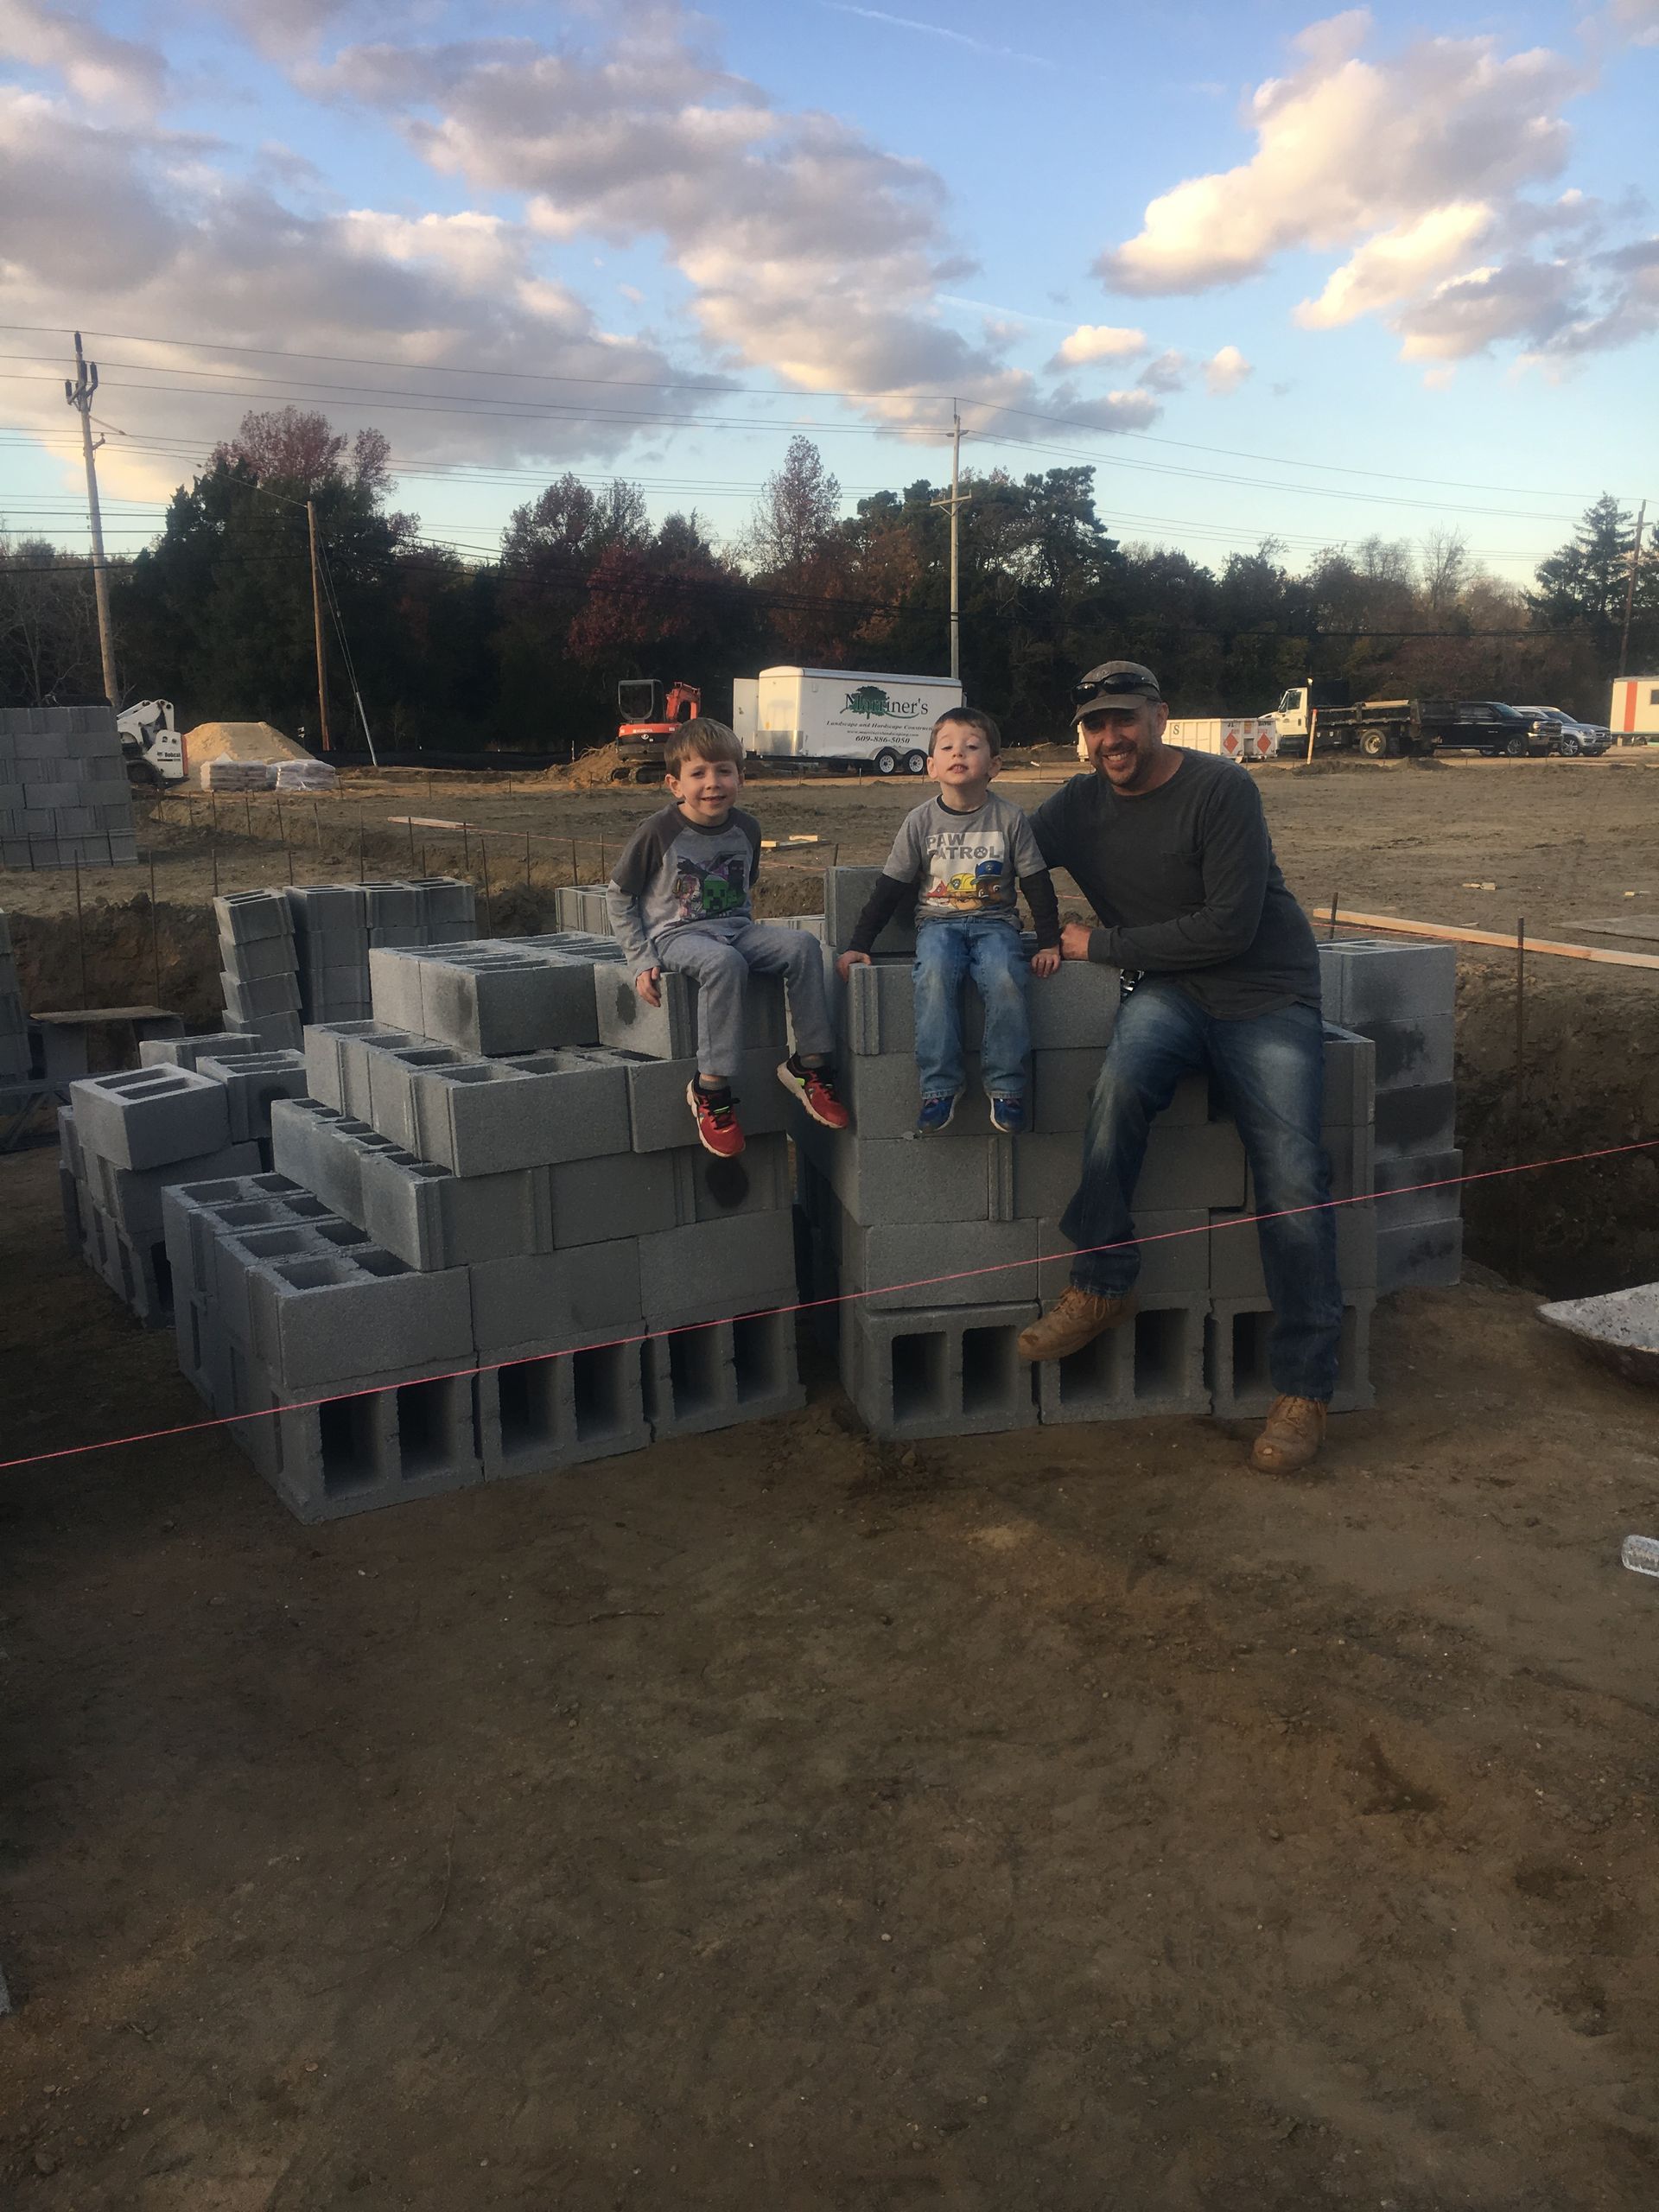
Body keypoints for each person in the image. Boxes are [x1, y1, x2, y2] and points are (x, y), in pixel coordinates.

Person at [1020, 660, 1343, 1475]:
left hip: (1265, 992)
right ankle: (1101, 1280)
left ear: (1161, 715)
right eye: (1095, 724)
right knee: (1117, 1089)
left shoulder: (1221, 789)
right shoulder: (1080, 802)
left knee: (1294, 1173)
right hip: (1170, 992)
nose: (1109, 737)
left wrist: (1102, 945)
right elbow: (1005, 848)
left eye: (1124, 719)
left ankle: (1303, 1390)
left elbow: (1229, 928)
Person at [606, 717, 851, 1159]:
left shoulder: (747, 829)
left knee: (802, 946)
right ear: (674, 783)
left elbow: (745, 885)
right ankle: (710, 1088)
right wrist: (640, 959)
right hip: (676, 934)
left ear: (741, 776)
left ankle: (809, 1065)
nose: (713, 783)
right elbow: (619, 896)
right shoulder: (658, 832)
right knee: (725, 965)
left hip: (736, 929)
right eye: (698, 773)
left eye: (724, 771)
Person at [836, 707, 1062, 1134]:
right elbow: (889, 890)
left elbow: (1037, 883)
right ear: (931, 764)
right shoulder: (919, 822)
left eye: (973, 746)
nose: (960, 753)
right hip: (937, 925)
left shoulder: (1010, 820)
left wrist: (1049, 942)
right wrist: (858, 943)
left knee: (1006, 977)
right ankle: (940, 1086)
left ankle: (1006, 1086)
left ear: (993, 765)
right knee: (934, 976)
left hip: (997, 923)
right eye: (948, 747)